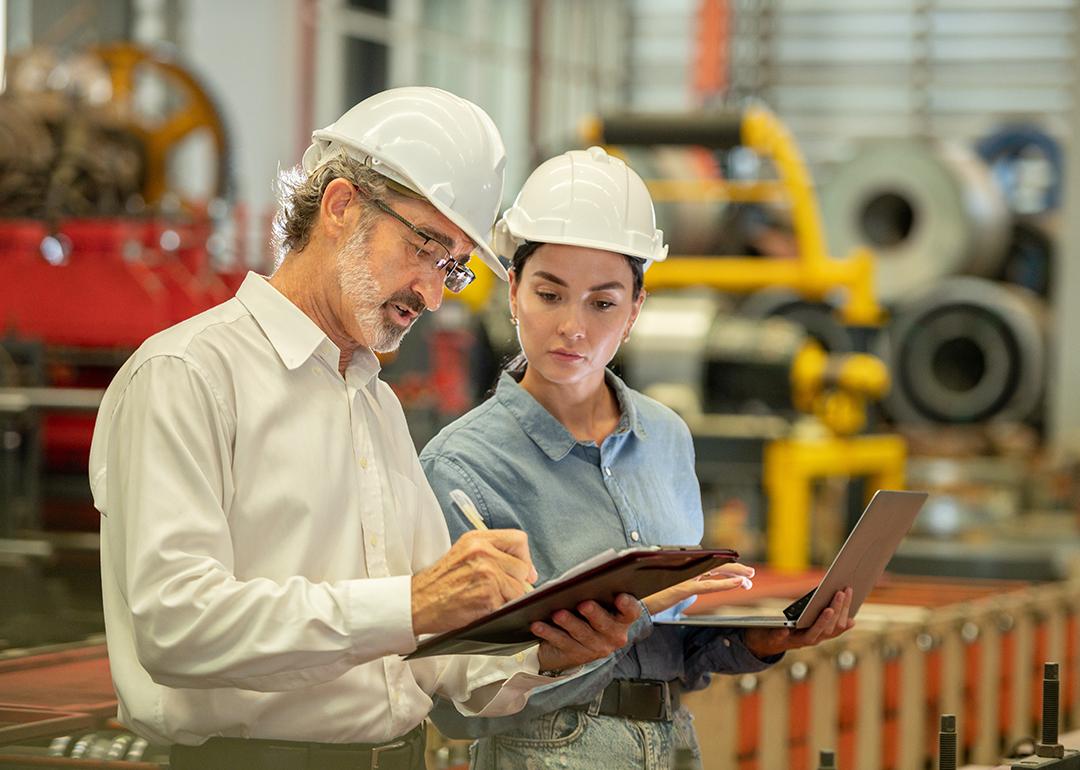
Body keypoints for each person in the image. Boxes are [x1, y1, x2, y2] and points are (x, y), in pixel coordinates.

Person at [88, 89, 641, 770]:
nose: (433, 294)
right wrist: (411, 603)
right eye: (426, 248)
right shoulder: (188, 376)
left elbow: (433, 660)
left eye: (453, 268)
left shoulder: (372, 403)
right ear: (342, 206)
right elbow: (176, 627)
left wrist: (545, 651)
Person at [419, 146, 856, 769]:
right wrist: (616, 624)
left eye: (602, 303)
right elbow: (454, 694)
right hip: (549, 753)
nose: (572, 326)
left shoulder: (666, 438)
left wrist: (761, 640)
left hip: (674, 741)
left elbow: (672, 642)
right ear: (513, 291)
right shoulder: (462, 468)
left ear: (634, 312)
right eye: (549, 294)